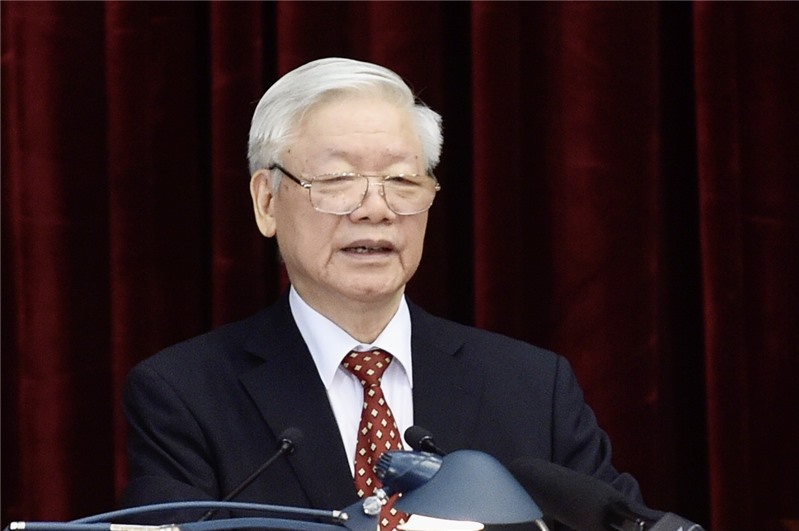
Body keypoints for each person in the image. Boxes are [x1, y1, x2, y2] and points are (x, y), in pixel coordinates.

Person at [121, 57, 645, 529]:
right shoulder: (185, 395)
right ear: (267, 202)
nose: (376, 209)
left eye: (401, 181)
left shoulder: (533, 387)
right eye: (338, 179)